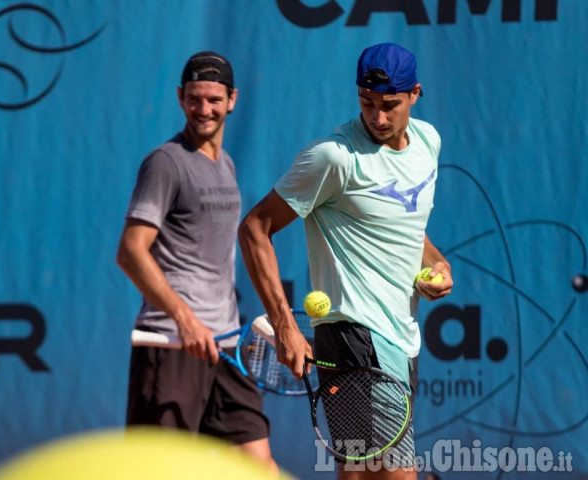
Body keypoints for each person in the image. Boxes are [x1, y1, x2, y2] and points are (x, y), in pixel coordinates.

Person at [238, 43, 453, 479]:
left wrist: (438, 265)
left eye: (390, 105)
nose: (377, 117)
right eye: (367, 103)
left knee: (357, 475)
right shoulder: (334, 157)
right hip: (356, 337)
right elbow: (254, 229)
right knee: (394, 475)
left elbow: (407, 226)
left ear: (415, 94)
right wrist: (284, 324)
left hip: (402, 338)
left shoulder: (428, 142)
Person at [116, 51, 276, 472]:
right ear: (180, 98)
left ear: (232, 100)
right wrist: (185, 319)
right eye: (194, 98)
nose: (203, 109)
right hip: (171, 344)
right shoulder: (165, 163)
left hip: (225, 348)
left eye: (213, 99)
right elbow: (131, 250)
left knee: (258, 466)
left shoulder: (225, 164)